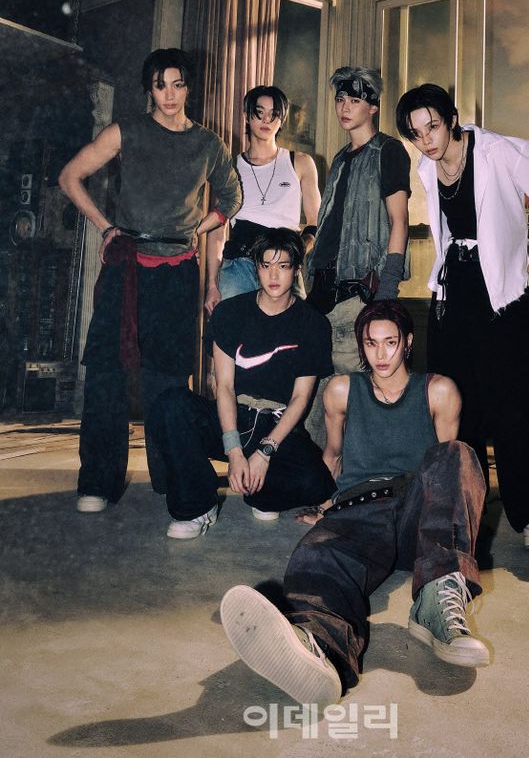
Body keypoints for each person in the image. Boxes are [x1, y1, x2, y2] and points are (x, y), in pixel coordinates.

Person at [221, 300, 490, 708]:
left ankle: (436, 598)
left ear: (408, 342)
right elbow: (333, 454)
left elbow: (448, 477)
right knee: (317, 555)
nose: (381, 354)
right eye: (371, 343)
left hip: (417, 514)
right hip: (359, 506)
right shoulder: (342, 390)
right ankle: (320, 649)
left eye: (390, 342)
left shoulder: (438, 390)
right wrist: (323, 507)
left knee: (457, 454)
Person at [395, 83, 529, 549]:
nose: (426, 140)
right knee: (457, 407)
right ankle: (462, 517)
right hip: (454, 294)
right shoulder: (426, 166)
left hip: (502, 293)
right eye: (415, 133)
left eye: (432, 127)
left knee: (518, 404)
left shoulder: (497, 150)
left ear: (451, 119)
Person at [59, 48, 241, 513]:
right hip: (127, 266)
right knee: (107, 372)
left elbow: (231, 196)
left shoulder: (208, 143)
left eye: (178, 85)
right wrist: (105, 226)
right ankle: (98, 483)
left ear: (189, 88)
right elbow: (70, 176)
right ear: (150, 90)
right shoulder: (127, 131)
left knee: (168, 378)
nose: (170, 95)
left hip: (177, 272)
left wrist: (198, 227)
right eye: (161, 86)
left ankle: (170, 477)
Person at [149, 229, 336, 538]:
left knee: (314, 483)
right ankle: (197, 506)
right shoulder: (230, 313)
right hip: (233, 415)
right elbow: (223, 386)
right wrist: (234, 450)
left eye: (283, 266)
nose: (273, 275)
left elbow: (300, 398)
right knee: (171, 406)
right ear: (256, 268)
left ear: (296, 270)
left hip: (276, 424)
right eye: (265, 265)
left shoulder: (312, 324)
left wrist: (264, 452)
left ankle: (262, 494)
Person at [305, 66, 410, 446]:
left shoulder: (389, 151)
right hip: (321, 292)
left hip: (358, 292)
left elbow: (399, 221)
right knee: (317, 396)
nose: (344, 107)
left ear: (373, 107)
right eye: (340, 99)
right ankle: (321, 473)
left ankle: (361, 475)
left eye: (354, 100)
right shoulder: (340, 159)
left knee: (354, 395)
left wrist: (386, 292)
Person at [206, 85, 320, 311]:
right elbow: (217, 229)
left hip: (284, 264)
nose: (267, 120)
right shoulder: (231, 167)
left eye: (274, 114)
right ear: (247, 115)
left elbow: (316, 224)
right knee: (235, 330)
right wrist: (211, 284)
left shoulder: (300, 162)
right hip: (239, 265)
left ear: (282, 119)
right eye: (260, 113)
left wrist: (294, 254)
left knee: (293, 330)